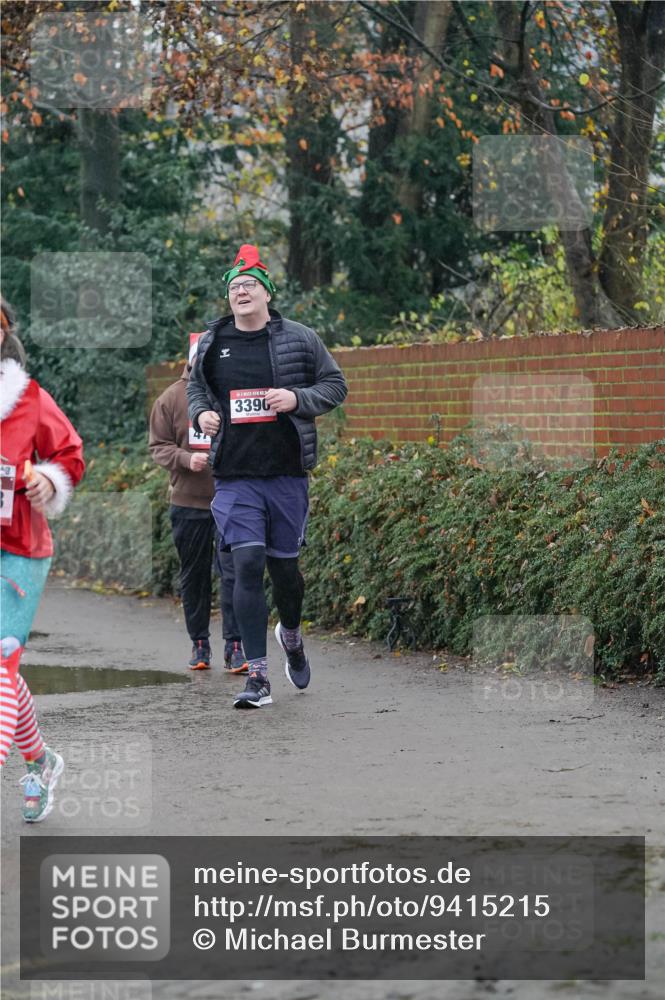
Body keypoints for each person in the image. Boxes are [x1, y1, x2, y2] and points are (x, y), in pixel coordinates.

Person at [187, 244, 347, 709]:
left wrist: (296, 399)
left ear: (267, 293)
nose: (240, 292)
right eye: (234, 287)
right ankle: (257, 676)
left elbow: (335, 385)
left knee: (285, 573)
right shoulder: (212, 343)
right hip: (235, 475)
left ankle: (291, 635)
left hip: (286, 473)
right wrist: (201, 415)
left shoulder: (300, 338)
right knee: (246, 563)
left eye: (249, 285)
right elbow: (196, 389)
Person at [0, 296, 85, 821]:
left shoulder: (27, 398)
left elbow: (70, 454)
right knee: (5, 671)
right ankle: (41, 762)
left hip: (19, 551)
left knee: (0, 662)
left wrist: (47, 482)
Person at [149, 342, 247, 672]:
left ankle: (235, 645)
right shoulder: (170, 399)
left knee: (234, 573)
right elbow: (158, 446)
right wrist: (185, 458)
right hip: (188, 502)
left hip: (233, 501)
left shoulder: (235, 391)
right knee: (195, 576)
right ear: (192, 360)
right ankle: (199, 644)